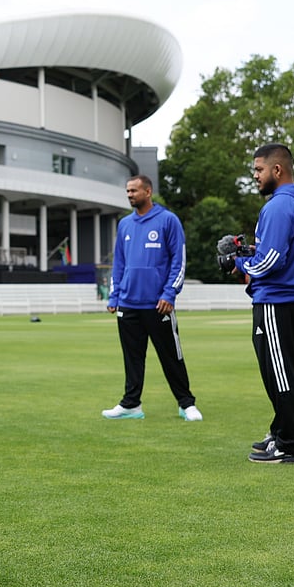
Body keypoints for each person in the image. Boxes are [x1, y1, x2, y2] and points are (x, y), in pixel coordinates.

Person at [230, 143, 294, 464]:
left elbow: (272, 260)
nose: (255, 176)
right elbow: (280, 251)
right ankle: (281, 429)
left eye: (258, 170)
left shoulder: (279, 206)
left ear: (277, 170)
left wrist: (237, 264)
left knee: (279, 373)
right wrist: (249, 252)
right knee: (285, 372)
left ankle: (289, 444)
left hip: (277, 299)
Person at [103, 175, 202, 422]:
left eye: (134, 190)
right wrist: (114, 295)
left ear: (148, 191)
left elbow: (178, 260)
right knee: (132, 358)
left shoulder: (168, 220)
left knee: (171, 357)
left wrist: (170, 293)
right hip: (128, 303)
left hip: (159, 304)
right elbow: (119, 263)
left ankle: (186, 403)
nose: (129, 195)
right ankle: (131, 405)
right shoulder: (124, 224)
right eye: (127, 191)